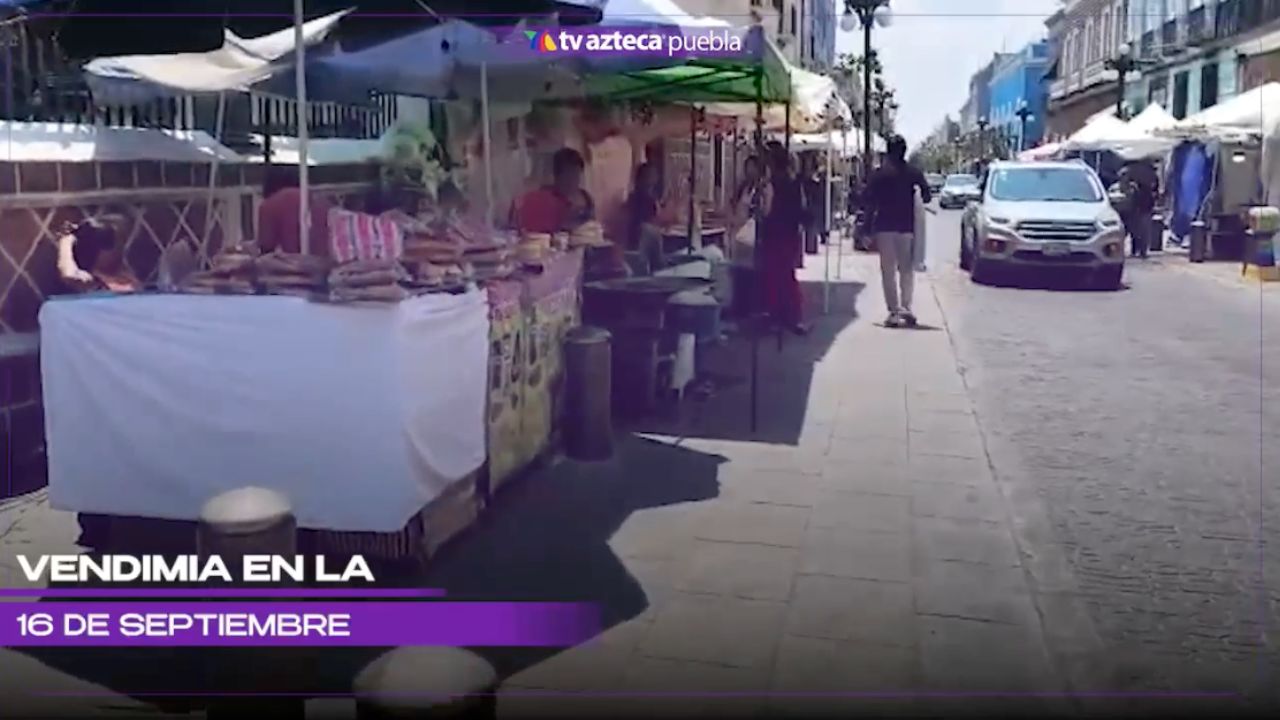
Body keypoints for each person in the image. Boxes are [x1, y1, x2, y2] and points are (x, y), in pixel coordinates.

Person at [864, 134, 931, 328]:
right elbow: (926, 196)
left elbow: (869, 201)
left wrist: (866, 228)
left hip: (884, 227)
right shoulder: (913, 173)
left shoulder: (879, 175)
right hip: (906, 228)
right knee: (906, 270)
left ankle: (893, 312)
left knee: (888, 271)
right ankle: (906, 307)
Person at [762, 141, 809, 335]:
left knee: (774, 276)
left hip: (774, 233)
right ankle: (793, 316)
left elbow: (767, 210)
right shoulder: (795, 183)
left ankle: (777, 316)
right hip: (791, 233)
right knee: (788, 276)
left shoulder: (771, 184)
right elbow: (803, 206)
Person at [516, 148, 596, 234]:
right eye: (567, 174)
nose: (572, 180)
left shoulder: (586, 198)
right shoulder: (546, 200)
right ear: (557, 176)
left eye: (576, 174)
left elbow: (593, 229)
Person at [257, 166, 333, 256]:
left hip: (294, 262)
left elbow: (266, 245)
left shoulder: (269, 205)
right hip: (325, 261)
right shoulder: (317, 199)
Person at [57, 217, 140, 293]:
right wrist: (66, 241)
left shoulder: (124, 273)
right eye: (115, 245)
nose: (120, 249)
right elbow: (68, 274)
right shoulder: (93, 281)